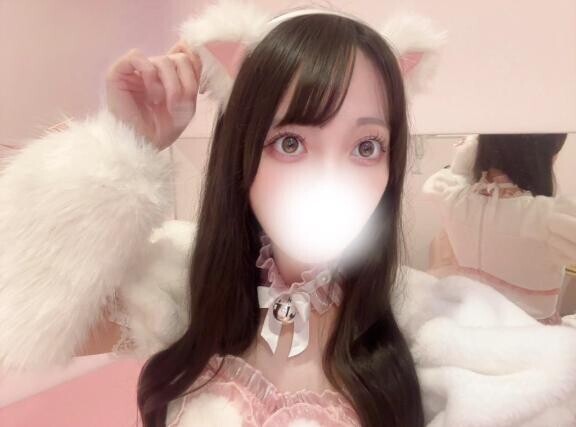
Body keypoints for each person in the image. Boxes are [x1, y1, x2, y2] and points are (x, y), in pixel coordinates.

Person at [1, 2, 576, 426]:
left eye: (366, 146)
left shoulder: (425, 326)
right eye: (292, 142)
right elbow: (21, 318)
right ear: (242, 153)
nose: (332, 181)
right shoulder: (179, 286)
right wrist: (122, 148)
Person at [423, 133, 575, 325]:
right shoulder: (547, 217)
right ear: (547, 155)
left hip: (472, 325)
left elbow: (446, 177)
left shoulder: (453, 199)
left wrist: (475, 147)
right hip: (531, 334)